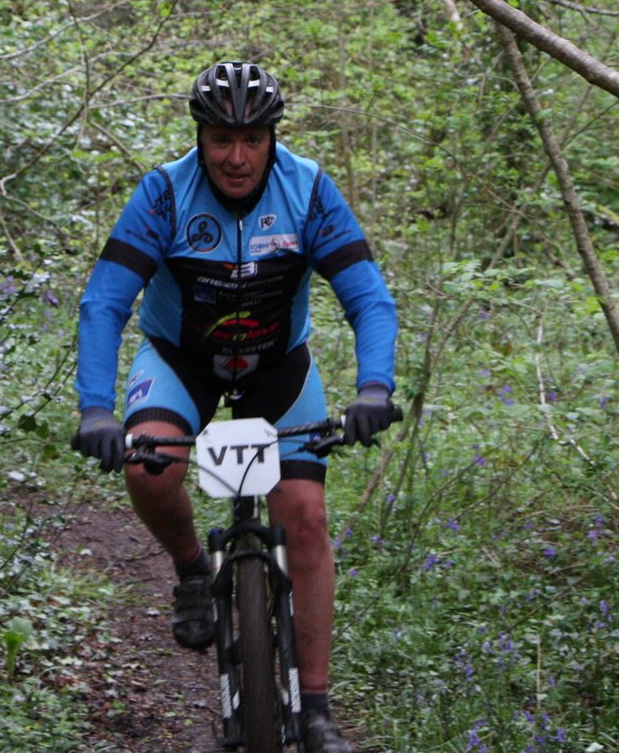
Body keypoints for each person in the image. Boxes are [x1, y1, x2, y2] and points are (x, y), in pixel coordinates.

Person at [71, 60, 399, 753]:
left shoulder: (308, 191)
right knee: (149, 471)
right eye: (222, 139)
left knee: (304, 515)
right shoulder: (164, 194)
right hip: (181, 360)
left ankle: (317, 709)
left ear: (273, 137)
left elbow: (368, 298)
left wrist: (375, 388)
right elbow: (105, 303)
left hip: (277, 367)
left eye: (253, 139)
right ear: (200, 137)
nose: (238, 157)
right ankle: (193, 569)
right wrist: (96, 409)